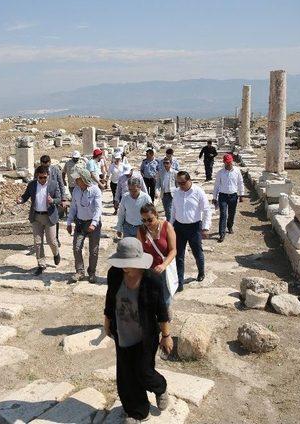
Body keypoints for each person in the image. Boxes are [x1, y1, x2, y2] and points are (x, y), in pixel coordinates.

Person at [103, 237, 172, 423]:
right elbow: (110, 299)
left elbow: (162, 312)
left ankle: (160, 387)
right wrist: (107, 322)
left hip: (145, 337)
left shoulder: (152, 280)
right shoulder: (115, 274)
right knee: (125, 377)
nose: (125, 267)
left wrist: (166, 335)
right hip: (122, 332)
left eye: (129, 263)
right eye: (123, 262)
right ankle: (138, 412)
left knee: (144, 372)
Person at [16, 165, 62, 276]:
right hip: (36, 216)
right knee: (37, 242)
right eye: (40, 177)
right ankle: (41, 265)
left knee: (51, 241)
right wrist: (21, 200)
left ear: (48, 176)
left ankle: (56, 253)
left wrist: (53, 201)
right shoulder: (32, 185)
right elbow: (25, 196)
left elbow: (59, 198)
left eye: (44, 177)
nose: (42, 180)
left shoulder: (53, 184)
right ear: (37, 176)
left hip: (49, 216)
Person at [170, 171, 212, 287]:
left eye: (183, 183)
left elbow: (207, 210)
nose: (180, 185)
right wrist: (170, 225)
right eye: (178, 183)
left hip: (194, 228)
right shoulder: (177, 192)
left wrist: (205, 227)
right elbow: (173, 210)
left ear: (189, 181)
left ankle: (201, 272)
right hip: (179, 227)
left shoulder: (198, 192)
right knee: (179, 255)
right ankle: (179, 281)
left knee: (197, 252)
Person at [137, 203, 177, 307]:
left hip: (164, 268)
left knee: (165, 300)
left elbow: (173, 250)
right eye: (144, 220)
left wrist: (163, 265)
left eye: (150, 219)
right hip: (149, 269)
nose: (147, 223)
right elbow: (139, 252)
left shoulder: (167, 226)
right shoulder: (141, 230)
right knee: (150, 298)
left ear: (156, 215)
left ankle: (165, 320)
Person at [67, 168, 103, 283]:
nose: (75, 180)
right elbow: (73, 207)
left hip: (93, 223)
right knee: (77, 248)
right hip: (80, 223)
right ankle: (80, 271)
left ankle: (92, 272)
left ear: (83, 179)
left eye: (78, 178)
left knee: (94, 250)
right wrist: (69, 222)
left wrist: (94, 223)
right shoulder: (76, 191)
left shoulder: (95, 190)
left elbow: (98, 209)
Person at [212, 154, 244, 243]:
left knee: (231, 213)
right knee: (223, 214)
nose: (229, 164)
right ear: (224, 162)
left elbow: (240, 183)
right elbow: (216, 186)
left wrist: (241, 194)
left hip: (233, 196)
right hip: (223, 196)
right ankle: (222, 234)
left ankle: (230, 226)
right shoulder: (220, 173)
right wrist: (214, 197)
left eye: (230, 162)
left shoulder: (237, 171)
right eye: (227, 162)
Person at [40, 154, 66, 247]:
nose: (45, 168)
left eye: (46, 166)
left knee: (55, 219)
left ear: (50, 163)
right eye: (43, 166)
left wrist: (63, 199)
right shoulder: (38, 170)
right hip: (42, 198)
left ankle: (56, 238)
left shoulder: (55, 170)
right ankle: (43, 239)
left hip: (55, 197)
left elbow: (61, 184)